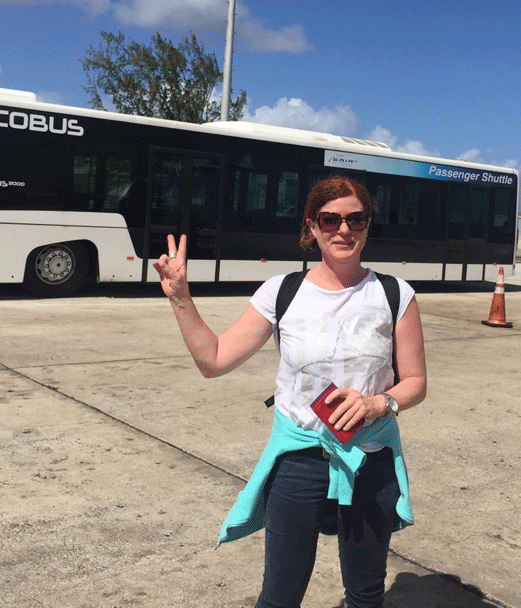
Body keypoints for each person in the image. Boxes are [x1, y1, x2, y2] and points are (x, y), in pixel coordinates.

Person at [154, 176, 427, 608]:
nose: (344, 229)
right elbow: (215, 360)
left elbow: (414, 382)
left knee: (366, 594)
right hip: (298, 463)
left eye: (356, 219)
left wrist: (379, 403)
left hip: (369, 460)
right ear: (312, 226)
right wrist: (181, 298)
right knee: (280, 596)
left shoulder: (394, 294)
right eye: (330, 219)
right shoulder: (282, 292)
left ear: (368, 225)